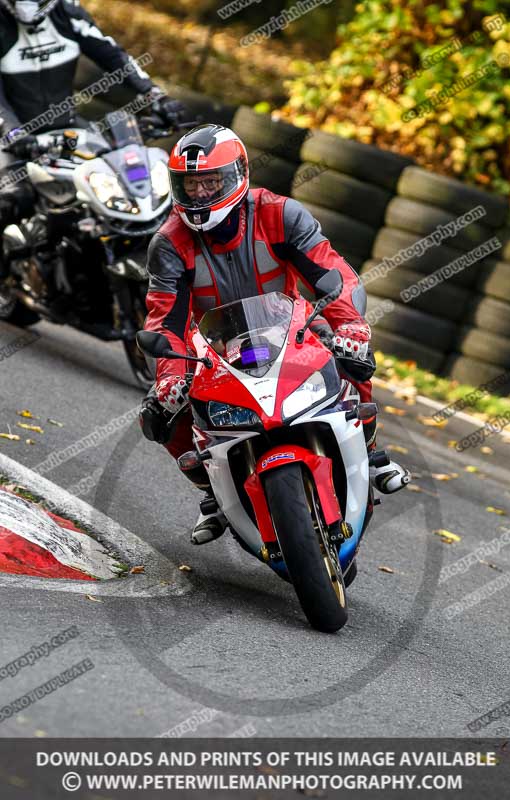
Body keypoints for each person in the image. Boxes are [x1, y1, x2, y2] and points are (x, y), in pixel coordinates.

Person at [139, 123, 410, 544]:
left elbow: (331, 271)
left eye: (211, 181)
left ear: (237, 174)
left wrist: (350, 325)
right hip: (214, 345)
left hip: (292, 325)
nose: (201, 194)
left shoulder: (279, 214)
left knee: (352, 356)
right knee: (161, 410)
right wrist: (169, 376)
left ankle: (370, 451)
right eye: (190, 185)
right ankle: (211, 491)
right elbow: (164, 321)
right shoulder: (169, 243)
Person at [0, 0, 188, 273]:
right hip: (11, 137)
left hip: (67, 132)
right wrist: (13, 133)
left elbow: (115, 56)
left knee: (115, 179)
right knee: (12, 199)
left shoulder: (68, 14)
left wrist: (155, 96)